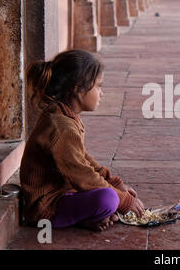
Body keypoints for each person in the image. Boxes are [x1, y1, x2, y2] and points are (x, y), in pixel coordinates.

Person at [20, 49, 145, 232]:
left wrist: (114, 181)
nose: (101, 93)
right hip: (46, 208)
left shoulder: (64, 115)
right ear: (78, 90)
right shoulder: (61, 127)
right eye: (98, 86)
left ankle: (86, 219)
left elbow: (83, 158)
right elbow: (82, 174)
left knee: (110, 195)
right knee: (108, 199)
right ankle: (77, 219)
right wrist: (124, 200)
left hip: (64, 192)